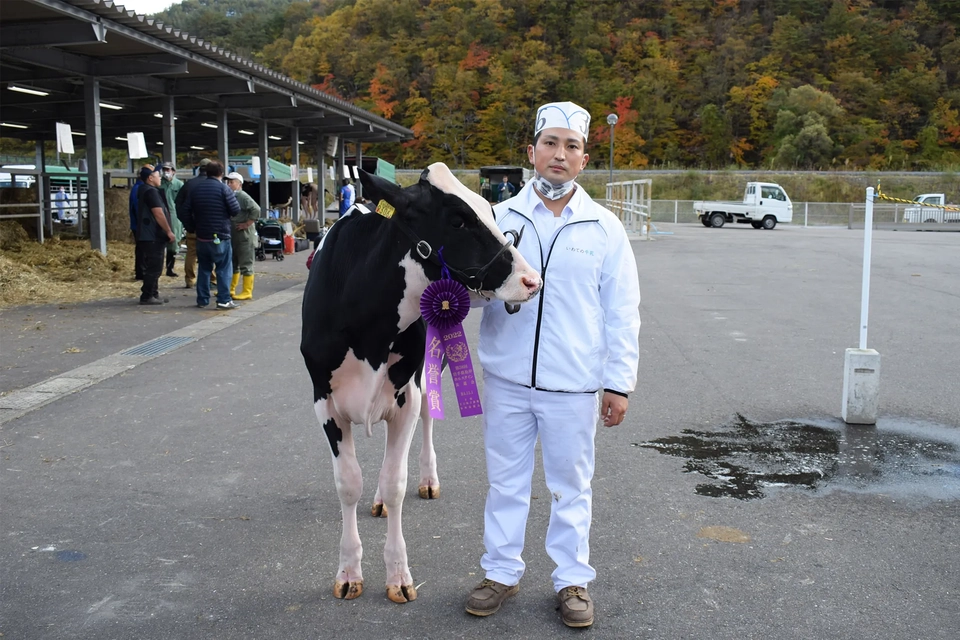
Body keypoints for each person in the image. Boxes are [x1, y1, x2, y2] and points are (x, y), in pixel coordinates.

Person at [465, 101, 641, 628]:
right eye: (550, 144)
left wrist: (618, 383)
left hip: (575, 385)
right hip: (507, 379)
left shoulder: (604, 228)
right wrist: (460, 295)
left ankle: (571, 581)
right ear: (531, 152)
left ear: (584, 159)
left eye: (570, 146)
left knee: (571, 486)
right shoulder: (498, 220)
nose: (558, 155)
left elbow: (622, 311)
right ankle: (500, 571)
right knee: (506, 482)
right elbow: (472, 293)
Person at [178, 160, 241, 310]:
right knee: (223, 269)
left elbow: (183, 210)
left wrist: (191, 227)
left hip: (202, 236)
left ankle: (202, 299)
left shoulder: (196, 189)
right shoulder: (224, 189)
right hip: (221, 235)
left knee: (204, 269)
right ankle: (224, 300)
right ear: (221, 173)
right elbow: (235, 209)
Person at [134, 165, 176, 306]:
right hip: (152, 235)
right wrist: (168, 230)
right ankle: (147, 295)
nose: (160, 177)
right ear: (150, 178)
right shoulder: (150, 192)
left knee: (155, 265)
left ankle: (153, 293)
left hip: (149, 234)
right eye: (158, 175)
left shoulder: (147, 190)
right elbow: (158, 213)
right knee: (155, 267)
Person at [175, 158, 211, 289]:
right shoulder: (213, 184)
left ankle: (190, 279)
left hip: (192, 227)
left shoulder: (189, 184)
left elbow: (178, 205)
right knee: (210, 253)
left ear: (199, 168)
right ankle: (211, 279)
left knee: (191, 253)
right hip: (208, 227)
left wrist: (186, 222)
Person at [225, 172, 261, 300]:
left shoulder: (243, 196)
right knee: (233, 262)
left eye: (231, 182)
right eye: (228, 182)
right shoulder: (230, 195)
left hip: (244, 235)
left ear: (239, 184)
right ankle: (231, 288)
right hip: (234, 234)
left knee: (246, 262)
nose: (229, 184)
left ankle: (247, 291)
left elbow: (256, 209)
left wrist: (247, 223)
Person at [129, 163, 154, 280]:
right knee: (142, 249)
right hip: (140, 224)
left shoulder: (139, 187)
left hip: (139, 224)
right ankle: (141, 272)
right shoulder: (139, 189)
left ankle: (141, 271)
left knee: (141, 249)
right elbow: (138, 207)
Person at [159, 162, 184, 278]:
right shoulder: (159, 184)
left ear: (173, 171)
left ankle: (170, 268)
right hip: (161, 213)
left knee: (173, 243)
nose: (166, 172)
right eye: (164, 169)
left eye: (168, 169)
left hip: (174, 215)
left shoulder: (179, 184)